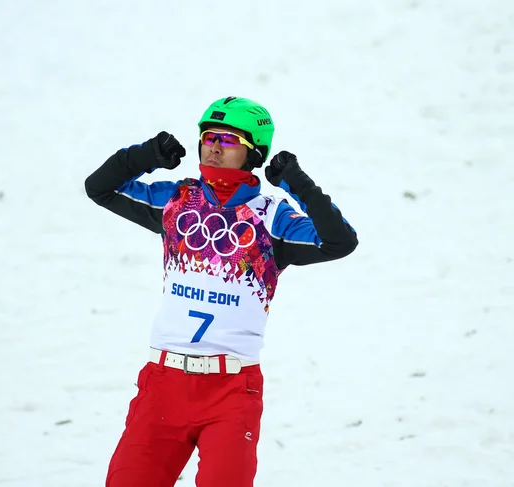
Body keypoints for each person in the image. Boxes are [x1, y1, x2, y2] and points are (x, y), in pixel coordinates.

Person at [85, 96, 358, 487]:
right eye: (209, 137)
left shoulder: (272, 217)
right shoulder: (176, 201)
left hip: (231, 391)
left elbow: (339, 242)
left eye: (228, 141)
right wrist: (146, 155)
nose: (213, 146)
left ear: (253, 153)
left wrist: (298, 184)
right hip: (164, 383)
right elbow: (99, 188)